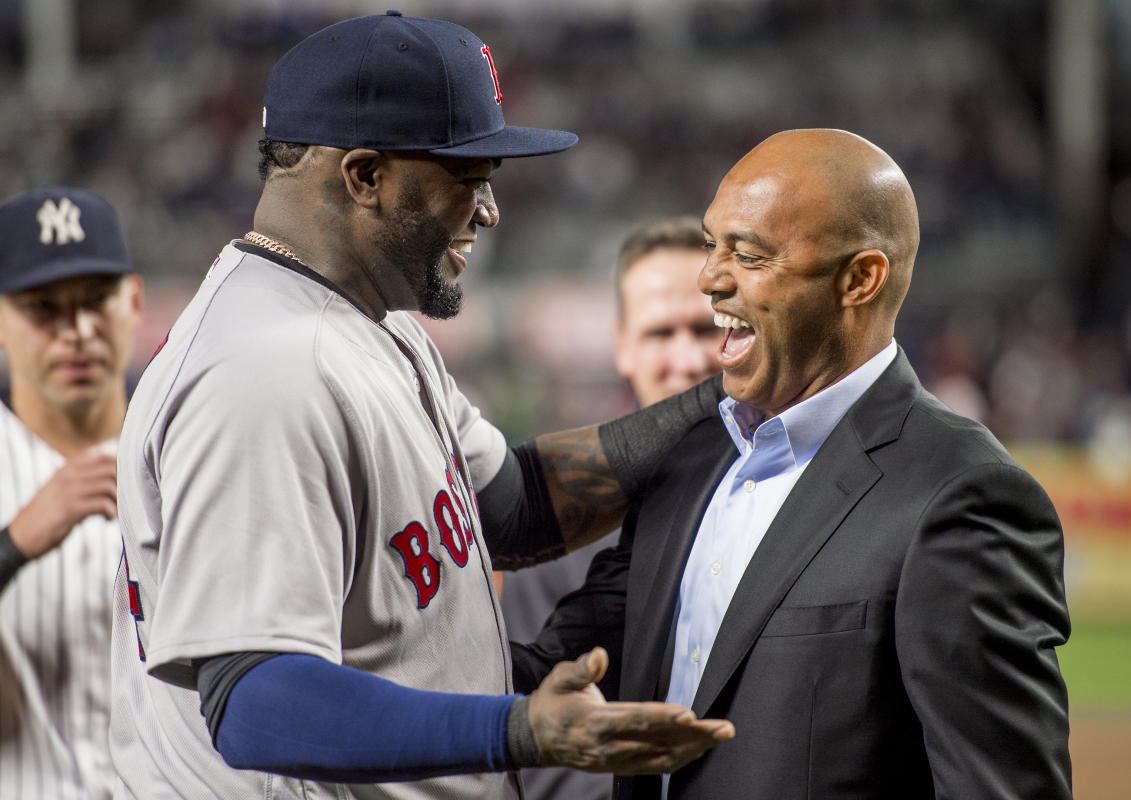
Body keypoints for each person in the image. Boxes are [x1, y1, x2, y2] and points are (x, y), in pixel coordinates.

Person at [110, 13, 732, 800]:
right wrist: (521, 731)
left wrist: (730, 394)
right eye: (467, 178)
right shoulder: (262, 373)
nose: (489, 209)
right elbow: (254, 702)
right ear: (364, 175)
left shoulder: (368, 320)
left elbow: (517, 506)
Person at [511, 129, 1073, 799]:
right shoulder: (692, 458)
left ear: (860, 279)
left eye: (747, 254)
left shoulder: (961, 495)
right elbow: (543, 667)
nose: (710, 279)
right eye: (712, 244)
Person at [501, 216, 721, 800]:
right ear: (622, 344)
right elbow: (537, 737)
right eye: (660, 333)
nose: (689, 357)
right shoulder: (556, 527)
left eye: (708, 327)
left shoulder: (797, 498)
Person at [0, 186, 143, 799]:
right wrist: (13, 545)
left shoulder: (191, 457)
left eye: (96, 300)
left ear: (133, 300)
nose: (78, 329)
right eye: (44, 307)